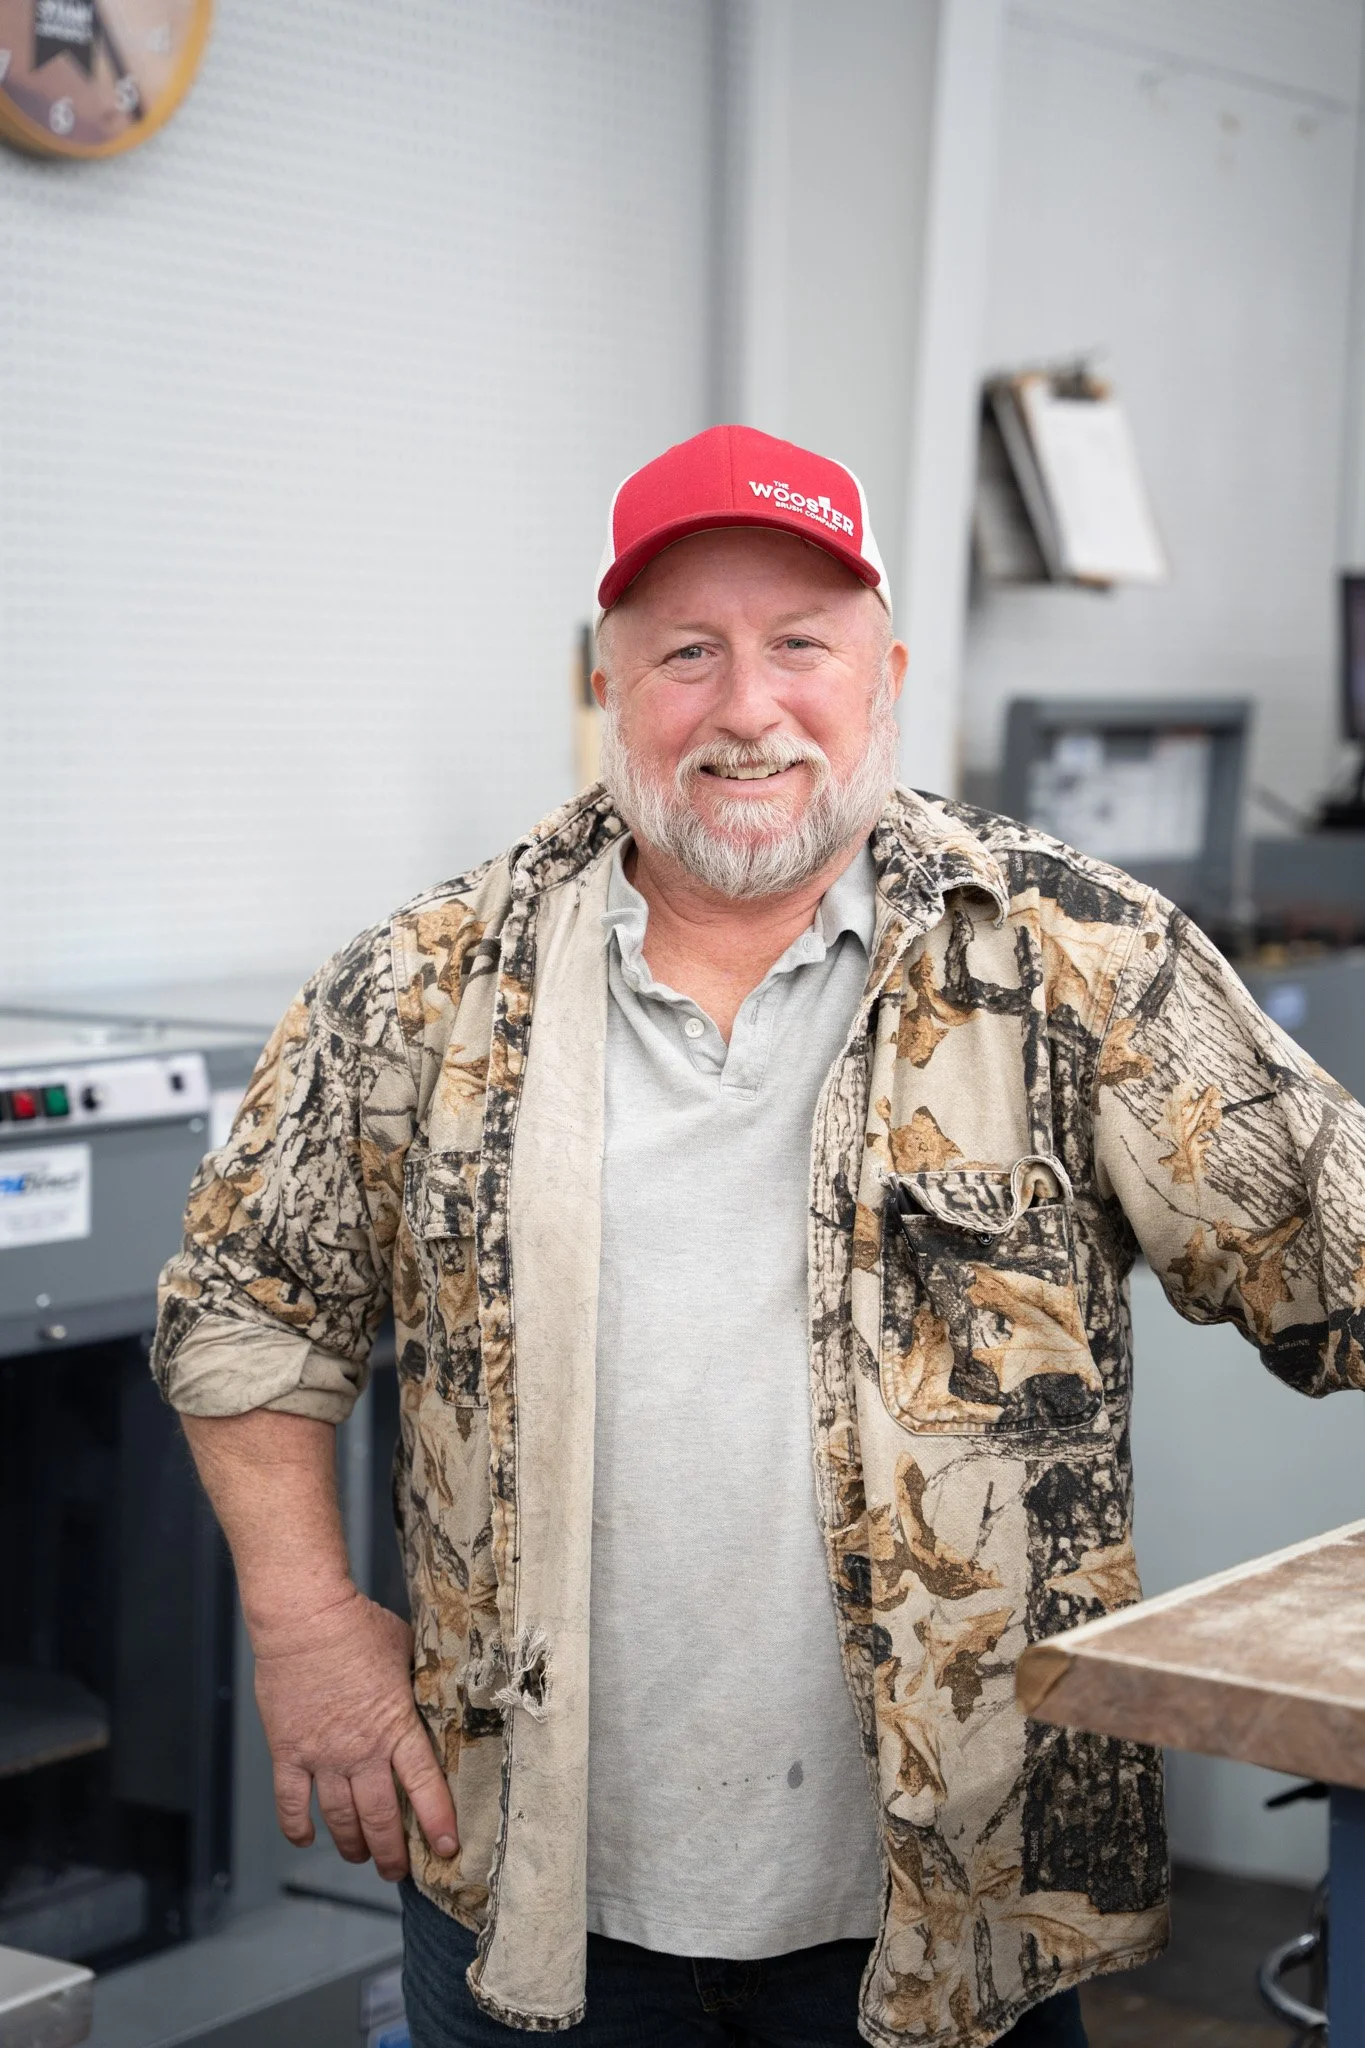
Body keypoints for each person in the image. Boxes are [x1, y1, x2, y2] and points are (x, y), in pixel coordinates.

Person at [153, 424, 1365, 2048]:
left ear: (886, 674)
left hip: (949, 1896)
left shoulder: (1070, 953)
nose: (746, 706)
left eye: (801, 645)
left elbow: (1331, 1249)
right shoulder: (427, 982)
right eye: (688, 655)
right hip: (529, 1881)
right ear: (607, 683)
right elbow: (246, 1303)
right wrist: (306, 1626)